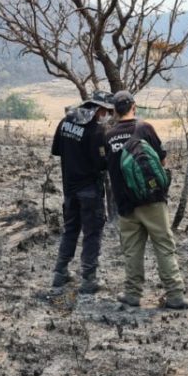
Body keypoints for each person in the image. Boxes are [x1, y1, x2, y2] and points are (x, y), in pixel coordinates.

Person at [105, 90, 188, 309]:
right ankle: (175, 295)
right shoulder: (144, 128)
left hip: (125, 204)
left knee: (132, 249)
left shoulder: (108, 136)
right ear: (134, 107)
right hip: (152, 199)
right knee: (163, 245)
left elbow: (108, 169)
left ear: (114, 110)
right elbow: (162, 160)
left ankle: (133, 294)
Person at [50, 91, 113, 294]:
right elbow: (102, 164)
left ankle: (60, 273)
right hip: (90, 191)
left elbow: (57, 151)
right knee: (92, 233)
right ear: (99, 109)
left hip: (69, 188)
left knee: (70, 229)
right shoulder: (96, 131)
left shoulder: (64, 122)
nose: (107, 115)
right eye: (106, 111)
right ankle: (88, 279)